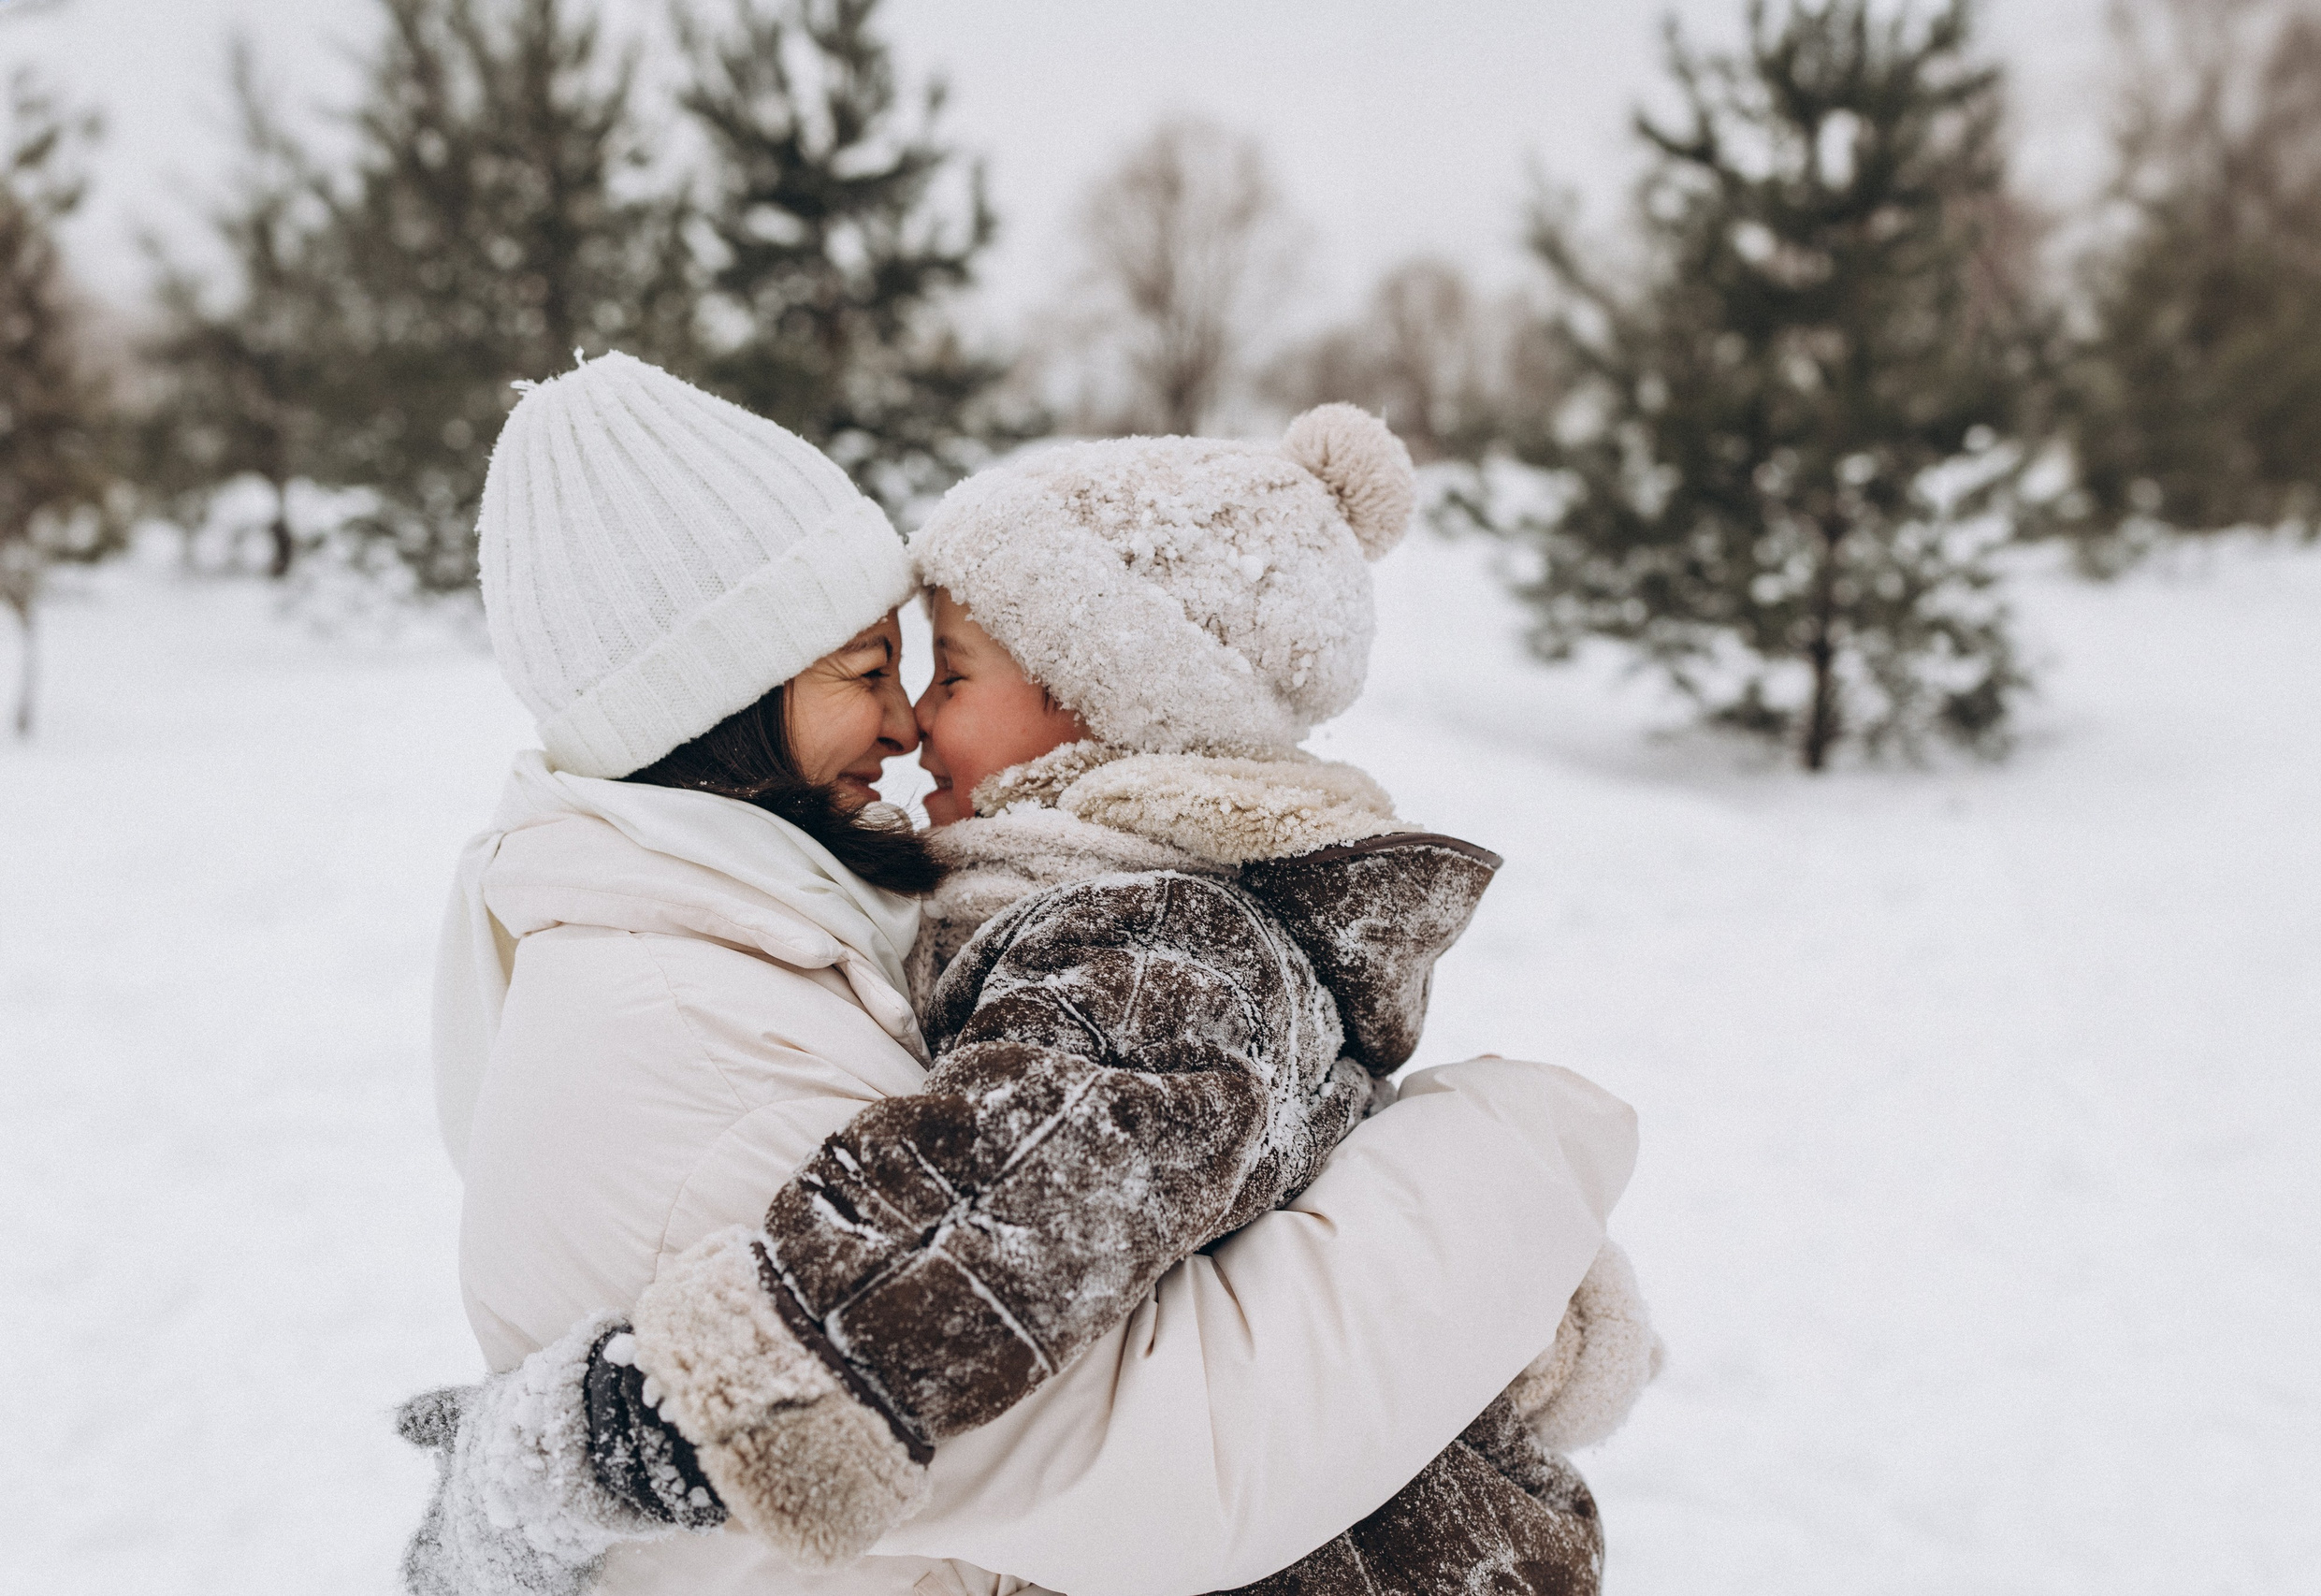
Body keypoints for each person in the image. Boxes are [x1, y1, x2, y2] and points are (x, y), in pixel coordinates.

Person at [409, 353, 1650, 1596]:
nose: (904, 718)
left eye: (936, 671)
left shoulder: (1139, 936)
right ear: (723, 703)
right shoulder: (690, 1023)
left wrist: (734, 1378)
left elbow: (1038, 1155)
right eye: (868, 670)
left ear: (1087, 699)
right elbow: (1141, 1418)